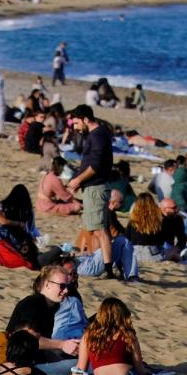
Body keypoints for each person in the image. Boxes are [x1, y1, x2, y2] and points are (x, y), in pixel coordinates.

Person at [60, 297, 187, 375]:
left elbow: (80, 369)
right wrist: (149, 374)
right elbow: (139, 368)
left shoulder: (88, 337)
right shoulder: (127, 335)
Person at [5, 266, 80, 375]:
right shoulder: (32, 304)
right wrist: (62, 345)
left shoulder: (49, 306)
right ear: (47, 284)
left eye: (68, 287)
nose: (66, 291)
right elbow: (31, 340)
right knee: (80, 366)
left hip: (32, 362)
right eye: (62, 286)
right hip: (20, 368)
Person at [68, 105, 114, 277]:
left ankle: (107, 269)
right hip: (92, 187)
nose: (75, 127)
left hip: (96, 187)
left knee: (99, 230)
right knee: (95, 228)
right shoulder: (95, 135)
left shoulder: (98, 135)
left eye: (77, 123)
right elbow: (89, 164)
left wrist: (78, 180)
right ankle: (101, 265)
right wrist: (78, 181)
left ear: (86, 119)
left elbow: (95, 165)